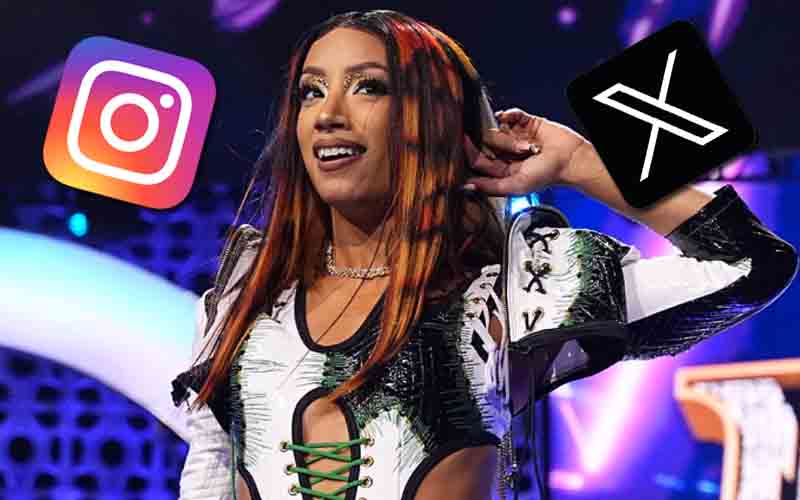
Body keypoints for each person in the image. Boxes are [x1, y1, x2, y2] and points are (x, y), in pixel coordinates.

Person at [170, 9, 798, 500]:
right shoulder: (246, 299)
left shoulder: (508, 293)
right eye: (311, 92)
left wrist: (581, 163)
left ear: (432, 119)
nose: (328, 114)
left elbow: (749, 264)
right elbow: (210, 472)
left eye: (368, 87)